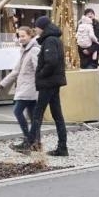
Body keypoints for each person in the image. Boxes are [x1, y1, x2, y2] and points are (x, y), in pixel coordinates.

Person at [28, 15, 68, 156]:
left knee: (38, 113)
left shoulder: (50, 40)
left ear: (42, 27)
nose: (35, 30)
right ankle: (62, 147)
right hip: (54, 82)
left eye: (37, 27)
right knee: (57, 115)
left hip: (49, 82)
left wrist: (41, 74)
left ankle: (29, 143)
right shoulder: (53, 39)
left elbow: (51, 62)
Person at [3, 26, 41, 151]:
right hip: (27, 87)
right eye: (19, 36)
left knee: (17, 111)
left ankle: (28, 139)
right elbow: (16, 70)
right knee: (33, 116)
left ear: (30, 35)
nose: (21, 39)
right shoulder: (24, 50)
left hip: (30, 87)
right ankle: (36, 143)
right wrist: (3, 83)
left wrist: (39, 85)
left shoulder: (34, 50)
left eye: (23, 36)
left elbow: (38, 70)